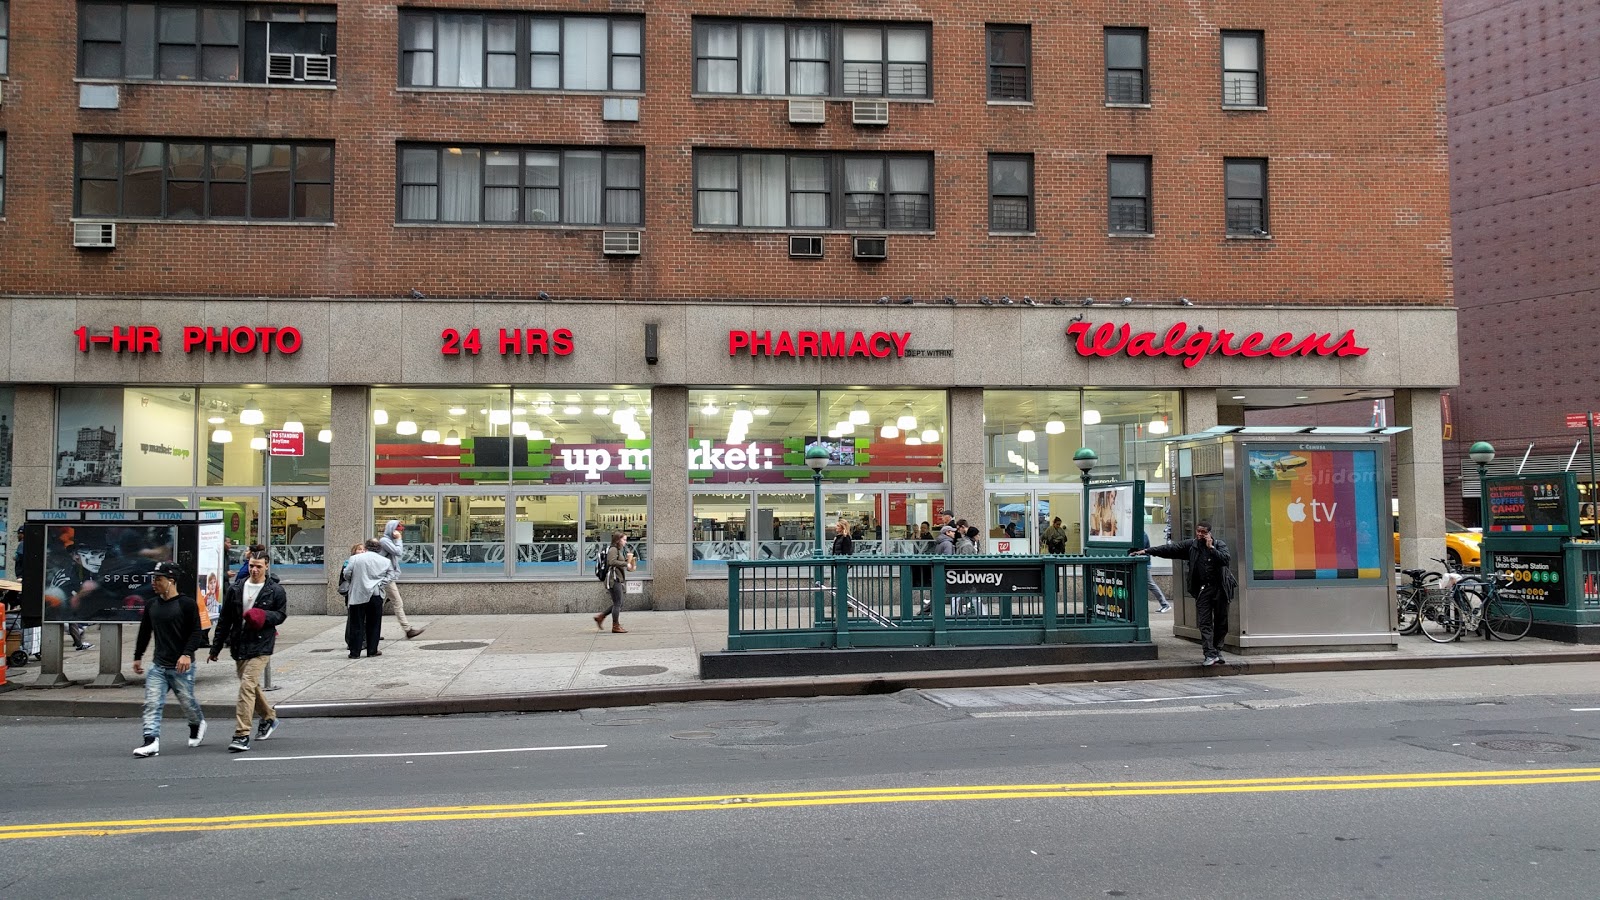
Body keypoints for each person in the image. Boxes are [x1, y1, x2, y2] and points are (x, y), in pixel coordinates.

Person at [208, 551, 287, 754]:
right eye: (252, 565)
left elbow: (280, 615)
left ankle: (241, 734)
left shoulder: (275, 590)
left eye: (259, 566)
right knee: (251, 686)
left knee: (246, 686)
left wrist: (262, 616)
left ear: (267, 567)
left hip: (261, 645)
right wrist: (215, 648)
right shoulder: (236, 588)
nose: (254, 569)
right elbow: (225, 620)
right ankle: (269, 718)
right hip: (239, 644)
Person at [130, 561, 207, 758]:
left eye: (158, 579)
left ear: (171, 581)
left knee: (187, 702)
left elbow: (196, 632)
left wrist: (186, 654)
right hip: (159, 666)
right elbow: (145, 631)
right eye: (153, 578)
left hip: (182, 666)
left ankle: (197, 723)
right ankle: (150, 741)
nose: (153, 582)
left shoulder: (186, 604)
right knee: (152, 703)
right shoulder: (152, 605)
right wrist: (138, 656)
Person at [1131, 521, 1235, 665]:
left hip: (1220, 589)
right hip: (1204, 589)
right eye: (1198, 531)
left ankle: (1217, 650)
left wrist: (1211, 548)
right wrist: (1147, 551)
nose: (1199, 534)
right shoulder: (1191, 546)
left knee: (1221, 622)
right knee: (1204, 622)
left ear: (1209, 533)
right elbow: (1170, 549)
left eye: (1203, 532)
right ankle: (1209, 654)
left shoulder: (1219, 545)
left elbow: (1225, 559)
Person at [342, 539, 394, 659]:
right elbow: (391, 575)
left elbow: (347, 573)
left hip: (358, 593)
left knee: (356, 623)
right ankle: (372, 650)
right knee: (374, 623)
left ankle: (355, 652)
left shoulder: (355, 559)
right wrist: (381, 583)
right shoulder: (385, 561)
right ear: (379, 548)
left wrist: (354, 582)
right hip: (376, 594)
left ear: (366, 547)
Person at [378, 520, 424, 639]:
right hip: (386, 578)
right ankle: (407, 629)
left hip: (387, 576)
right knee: (397, 603)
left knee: (378, 605)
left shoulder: (388, 541)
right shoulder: (385, 541)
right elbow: (398, 552)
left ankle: (371, 631)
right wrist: (399, 539)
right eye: (397, 530)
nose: (399, 532)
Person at [593, 532, 635, 633]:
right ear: (618, 540)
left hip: (616, 578)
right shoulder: (613, 549)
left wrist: (628, 562)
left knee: (618, 603)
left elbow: (616, 561)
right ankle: (615, 626)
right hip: (613, 579)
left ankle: (601, 617)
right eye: (624, 539)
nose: (625, 542)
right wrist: (626, 564)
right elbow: (611, 562)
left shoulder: (618, 550)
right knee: (618, 603)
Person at [1137, 531, 1172, 612]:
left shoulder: (1142, 534)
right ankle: (1164, 604)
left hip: (1144, 563)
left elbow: (1141, 548)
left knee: (1150, 584)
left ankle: (1165, 604)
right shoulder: (1140, 534)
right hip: (1143, 563)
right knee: (1149, 584)